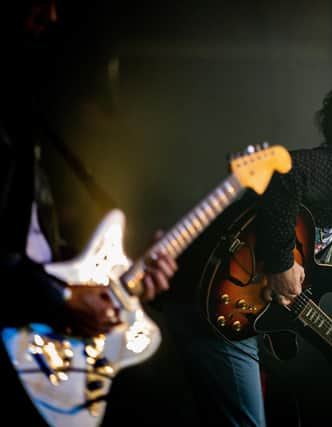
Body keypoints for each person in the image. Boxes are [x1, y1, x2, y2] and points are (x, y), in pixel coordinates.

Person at [166, 62, 332, 426]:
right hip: (214, 301)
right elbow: (284, 174)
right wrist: (279, 262)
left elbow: (291, 296)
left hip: (221, 303)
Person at [0, 2, 177, 426]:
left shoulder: (23, 111)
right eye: (39, 4)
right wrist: (60, 298)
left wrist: (122, 284)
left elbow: (30, 248)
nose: (51, 17)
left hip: (32, 334)